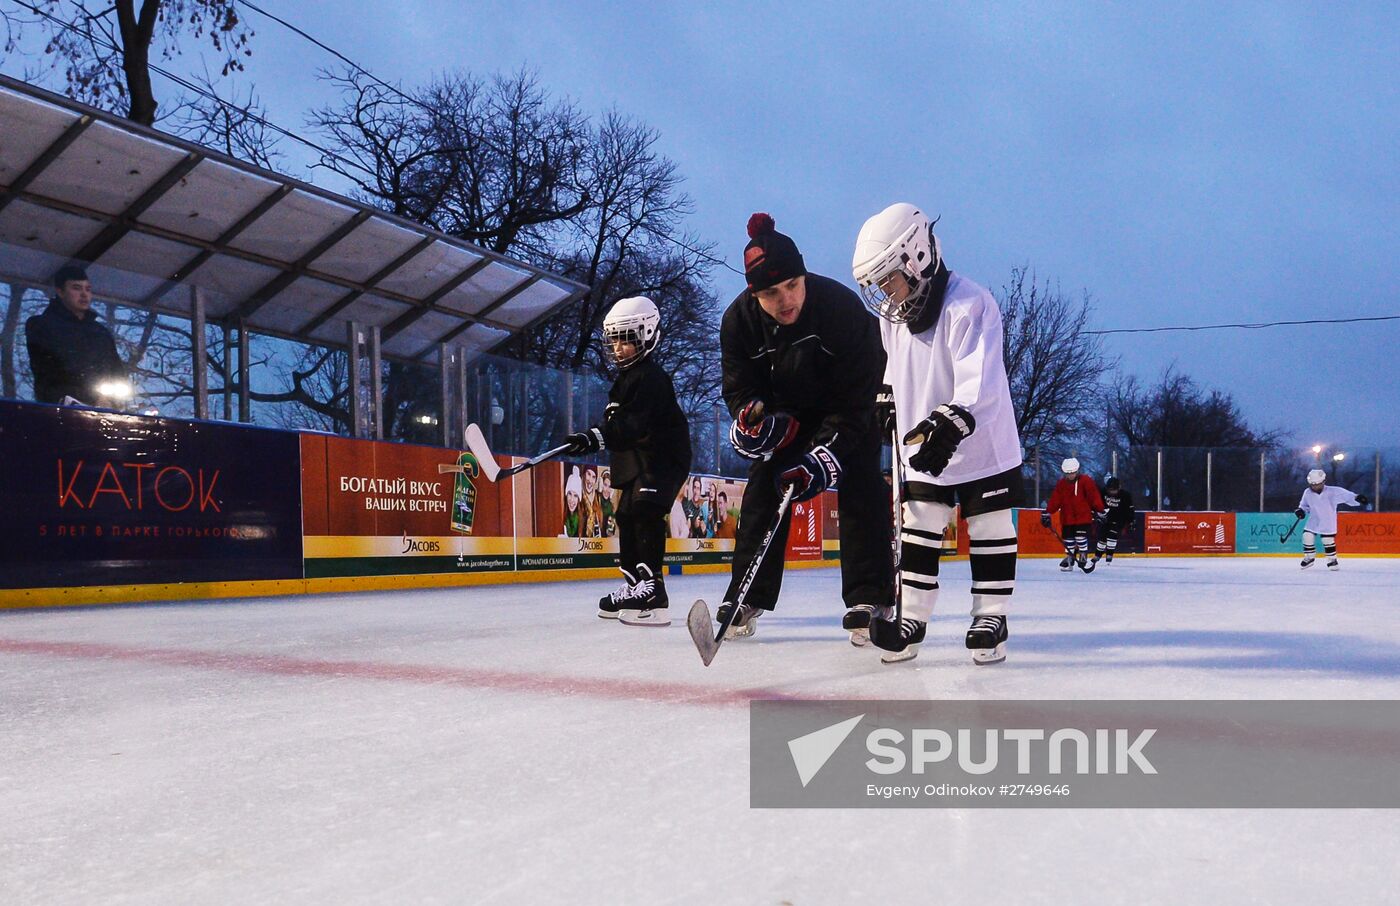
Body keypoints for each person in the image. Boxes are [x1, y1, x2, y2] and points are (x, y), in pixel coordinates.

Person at [851, 203, 1025, 665]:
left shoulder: (971, 304)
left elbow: (979, 378)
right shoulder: (893, 316)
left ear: (918, 257)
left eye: (889, 277)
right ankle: (912, 617)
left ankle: (991, 616)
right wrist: (886, 397)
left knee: (988, 526)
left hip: (981, 444)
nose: (885, 293)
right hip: (920, 445)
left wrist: (953, 419)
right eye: (878, 283)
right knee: (919, 527)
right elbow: (892, 365)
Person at [715, 213, 893, 641]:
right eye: (771, 293)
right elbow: (740, 388)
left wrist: (826, 452)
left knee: (863, 485)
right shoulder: (738, 322)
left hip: (850, 409)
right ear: (753, 293)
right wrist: (751, 416)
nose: (786, 300)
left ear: (803, 274)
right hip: (790, 418)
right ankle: (747, 594)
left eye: (793, 285)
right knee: (763, 488)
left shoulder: (842, 308)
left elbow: (856, 399)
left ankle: (870, 595)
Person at [561, 296, 692, 626]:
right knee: (626, 513)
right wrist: (593, 437)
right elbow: (620, 426)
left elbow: (633, 423)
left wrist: (596, 436)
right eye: (615, 340)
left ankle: (654, 594)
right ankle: (636, 585)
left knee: (646, 510)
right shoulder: (625, 380)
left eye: (627, 340)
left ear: (646, 336)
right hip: (638, 459)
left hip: (663, 458)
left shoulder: (652, 377)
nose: (619, 348)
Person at [25, 264, 127, 406]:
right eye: (76, 288)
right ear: (60, 292)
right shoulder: (41, 325)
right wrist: (94, 397)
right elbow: (51, 373)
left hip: (106, 409)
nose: (84, 294)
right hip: (60, 409)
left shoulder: (100, 332)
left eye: (88, 289)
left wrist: (113, 401)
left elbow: (117, 373)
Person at [1295, 469, 1367, 570]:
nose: (1314, 487)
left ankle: (1332, 560)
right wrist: (1300, 511)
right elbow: (1304, 505)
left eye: (1317, 484)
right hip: (1314, 520)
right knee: (1307, 536)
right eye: (1312, 484)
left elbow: (1347, 495)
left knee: (1327, 540)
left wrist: (1357, 498)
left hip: (1328, 521)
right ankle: (1309, 557)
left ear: (1323, 481)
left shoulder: (1333, 491)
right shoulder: (1307, 492)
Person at [1043, 458, 1105, 574]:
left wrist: (1100, 510)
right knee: (1068, 540)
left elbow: (1093, 496)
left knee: (1080, 537)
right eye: (1067, 473)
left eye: (1072, 473)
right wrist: (1048, 512)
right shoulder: (1062, 484)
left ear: (1077, 471)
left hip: (1083, 517)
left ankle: (1083, 554)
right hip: (1067, 517)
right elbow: (1056, 499)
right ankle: (1070, 558)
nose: (1070, 475)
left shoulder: (1086, 481)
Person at [1093, 476, 1135, 564]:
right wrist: (1098, 514)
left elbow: (1130, 510)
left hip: (1119, 519)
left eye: (1114, 490)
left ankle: (1109, 554)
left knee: (1112, 534)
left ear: (1119, 488)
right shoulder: (1102, 492)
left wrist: (1131, 521)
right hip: (1105, 518)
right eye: (1110, 490)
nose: (1112, 492)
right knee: (1102, 537)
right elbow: (1096, 504)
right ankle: (1097, 555)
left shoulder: (1125, 495)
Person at [562, 468, 583, 538]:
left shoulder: (582, 520)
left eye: (575, 496)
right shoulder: (561, 516)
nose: (572, 500)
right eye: (569, 494)